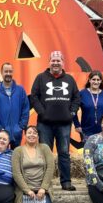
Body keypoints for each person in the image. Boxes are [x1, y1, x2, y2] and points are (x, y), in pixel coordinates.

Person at [30, 51, 80, 191]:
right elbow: (34, 96)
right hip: (45, 123)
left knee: (64, 153)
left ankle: (66, 182)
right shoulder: (40, 78)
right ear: (49, 62)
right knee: (45, 154)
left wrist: (71, 112)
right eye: (53, 60)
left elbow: (76, 98)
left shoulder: (69, 79)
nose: (56, 63)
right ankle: (44, 183)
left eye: (58, 60)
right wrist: (42, 112)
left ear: (63, 62)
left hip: (64, 124)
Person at [0, 62, 30, 149]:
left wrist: (20, 127)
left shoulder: (20, 90)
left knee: (15, 159)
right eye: (6, 71)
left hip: (16, 134)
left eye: (10, 71)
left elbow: (25, 110)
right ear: (1, 73)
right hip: (2, 135)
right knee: (2, 159)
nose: (8, 74)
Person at [73, 70, 103, 143]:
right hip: (86, 131)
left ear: (101, 81)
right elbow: (73, 109)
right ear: (89, 80)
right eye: (93, 79)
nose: (96, 82)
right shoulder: (82, 93)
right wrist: (77, 125)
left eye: (98, 80)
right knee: (89, 153)